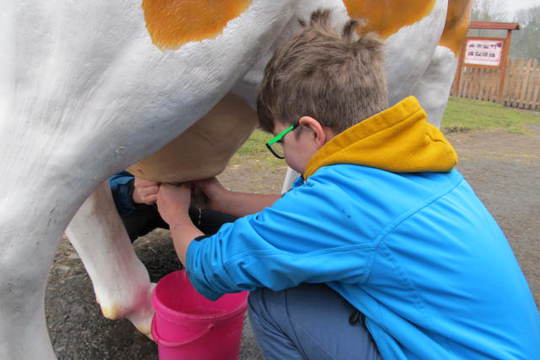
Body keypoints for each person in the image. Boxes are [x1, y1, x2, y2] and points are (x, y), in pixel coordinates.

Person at [154, 9, 540, 360]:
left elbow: (211, 266)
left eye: (280, 142)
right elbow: (304, 214)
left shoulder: (344, 203)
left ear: (310, 131)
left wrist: (175, 217)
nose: (283, 154)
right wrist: (223, 197)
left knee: (276, 300)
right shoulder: (407, 159)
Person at [109, 171, 236, 241]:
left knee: (237, 227)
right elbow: (93, 183)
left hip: (179, 193)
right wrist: (130, 191)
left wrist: (222, 198)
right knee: (102, 239)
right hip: (123, 205)